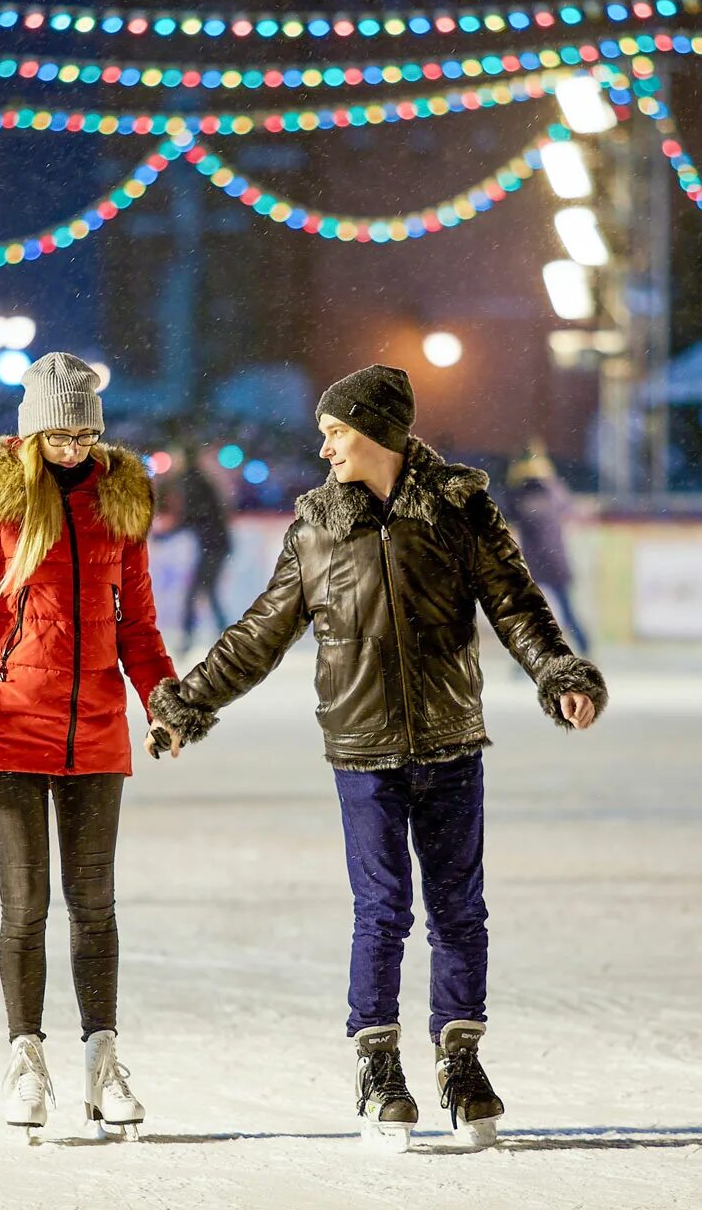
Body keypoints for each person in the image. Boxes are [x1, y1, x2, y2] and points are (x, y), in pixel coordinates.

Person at [147, 364, 607, 1152]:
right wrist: (188, 705)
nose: (325, 446)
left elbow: (516, 602)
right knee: (384, 907)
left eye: (336, 431)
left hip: (451, 740)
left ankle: (460, 1060)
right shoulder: (318, 529)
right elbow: (260, 632)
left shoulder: (459, 511)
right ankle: (379, 1063)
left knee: (460, 909)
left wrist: (559, 670)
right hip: (362, 750)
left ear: (378, 432)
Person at [0, 353, 175, 1140]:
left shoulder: (118, 505)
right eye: (59, 434)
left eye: (84, 434)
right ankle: (26, 1059)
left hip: (95, 732)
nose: (73, 448)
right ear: (32, 431)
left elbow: (139, 625)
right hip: (4, 730)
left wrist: (165, 702)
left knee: (94, 908)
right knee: (25, 908)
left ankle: (103, 1060)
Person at [506, 441, 590, 654]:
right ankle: (584, 649)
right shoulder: (548, 490)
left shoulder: (524, 492)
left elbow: (507, 515)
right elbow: (568, 507)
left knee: (535, 614)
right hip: (547, 560)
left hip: (541, 561)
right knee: (557, 611)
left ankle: (582, 648)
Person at [166, 442, 232, 651]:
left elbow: (193, 515)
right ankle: (226, 635)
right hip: (216, 543)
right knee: (207, 590)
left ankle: (189, 637)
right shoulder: (197, 480)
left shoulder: (193, 482)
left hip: (214, 544)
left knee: (196, 591)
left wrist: (166, 534)